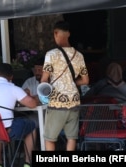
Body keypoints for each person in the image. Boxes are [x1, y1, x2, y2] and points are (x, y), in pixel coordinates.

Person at [40, 21, 89, 151]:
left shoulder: (51, 54)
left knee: (50, 138)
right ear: (69, 34)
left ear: (56, 33)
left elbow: (44, 80)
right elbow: (85, 80)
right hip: (74, 101)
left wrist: (43, 91)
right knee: (71, 137)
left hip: (57, 102)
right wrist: (72, 83)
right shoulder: (79, 55)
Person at [0, 63, 38, 167]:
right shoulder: (13, 88)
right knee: (32, 126)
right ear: (11, 77)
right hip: (6, 131)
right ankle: (27, 163)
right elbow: (32, 104)